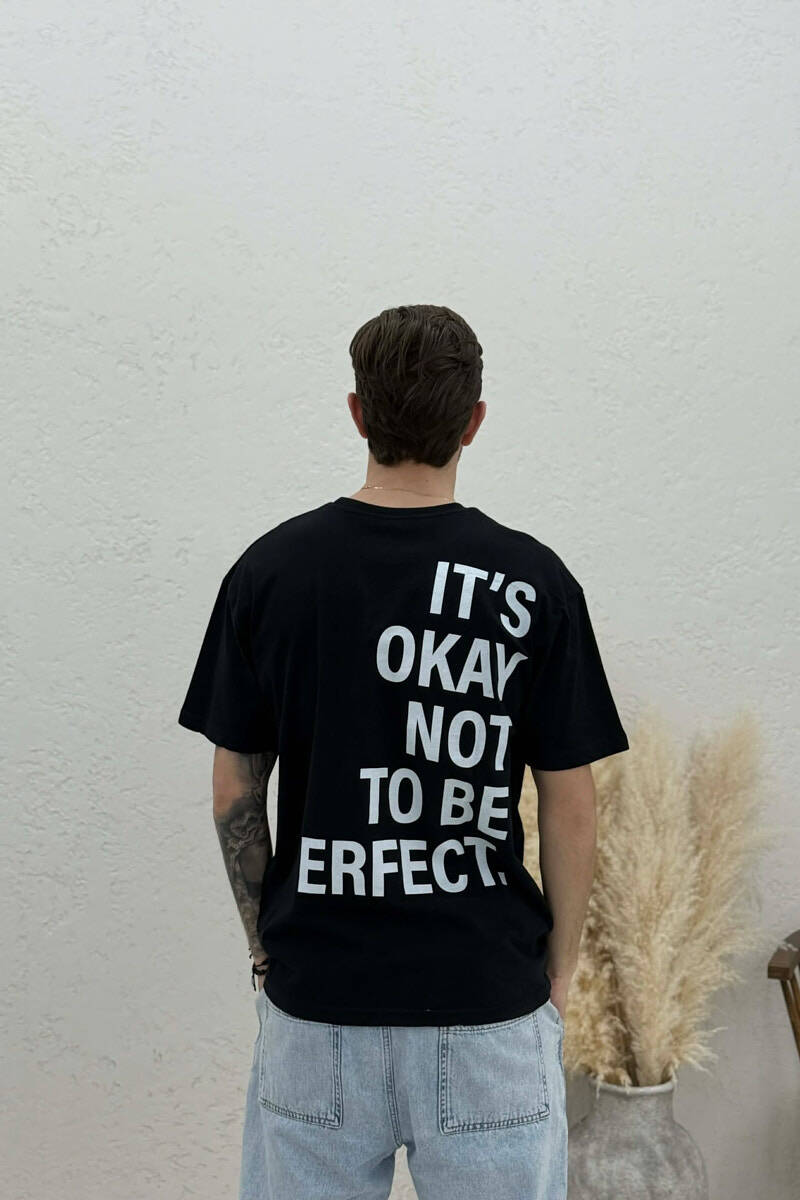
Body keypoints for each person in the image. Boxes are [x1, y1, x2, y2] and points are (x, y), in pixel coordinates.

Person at [178, 303, 630, 1200]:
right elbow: (570, 798)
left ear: (357, 414)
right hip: (487, 1001)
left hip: (318, 1004)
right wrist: (560, 972)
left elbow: (235, 790)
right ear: (474, 422)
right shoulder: (534, 582)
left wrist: (266, 949)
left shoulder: (271, 572)